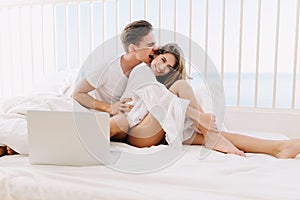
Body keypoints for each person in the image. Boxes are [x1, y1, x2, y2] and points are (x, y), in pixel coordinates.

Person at [118, 43, 300, 159]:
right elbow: (159, 98)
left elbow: (167, 104)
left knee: (218, 135)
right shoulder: (141, 70)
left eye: (169, 66)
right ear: (155, 55)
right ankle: (211, 134)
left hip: (156, 133)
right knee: (182, 87)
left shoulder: (160, 84)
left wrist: (200, 121)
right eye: (163, 59)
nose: (164, 66)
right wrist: (199, 116)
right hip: (138, 133)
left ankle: (279, 147)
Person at [73, 20, 157, 141]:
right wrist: (110, 107)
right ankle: (85, 142)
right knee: (120, 120)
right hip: (111, 120)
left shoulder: (147, 69)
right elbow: (77, 94)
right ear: (133, 48)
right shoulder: (108, 67)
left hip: (133, 122)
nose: (155, 49)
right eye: (150, 45)